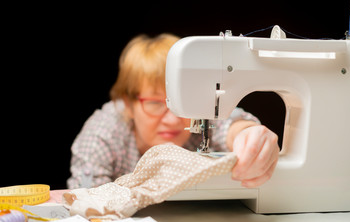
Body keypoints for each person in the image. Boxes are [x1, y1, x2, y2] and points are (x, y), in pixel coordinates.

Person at [67, 33, 279, 190]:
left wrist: (250, 136)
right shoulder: (103, 134)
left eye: (179, 102)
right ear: (128, 105)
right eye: (155, 104)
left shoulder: (197, 114)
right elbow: (86, 203)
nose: (172, 119)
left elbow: (230, 124)